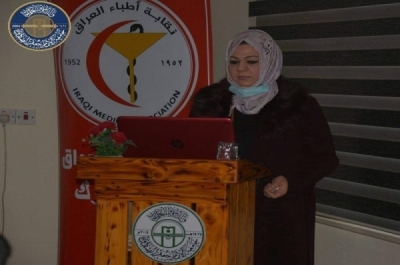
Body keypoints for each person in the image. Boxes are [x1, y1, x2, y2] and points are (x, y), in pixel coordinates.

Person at [189, 29, 339, 265]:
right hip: (222, 210)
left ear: (270, 62)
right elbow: (191, 151)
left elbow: (325, 157)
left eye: (251, 61)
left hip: (280, 215)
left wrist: (290, 179)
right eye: (234, 61)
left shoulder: (299, 105)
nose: (241, 69)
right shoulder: (211, 104)